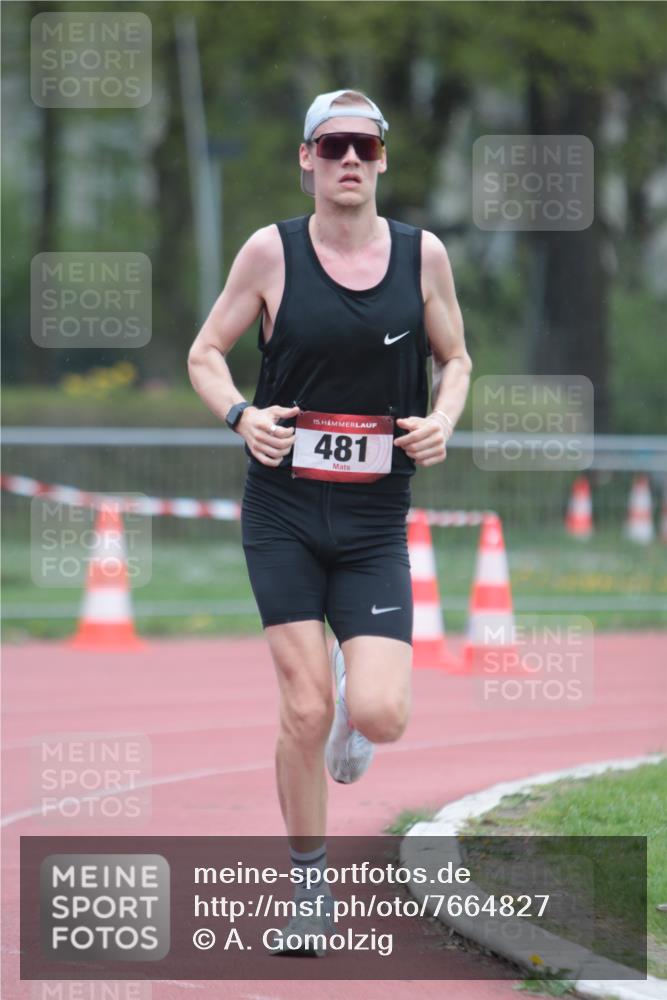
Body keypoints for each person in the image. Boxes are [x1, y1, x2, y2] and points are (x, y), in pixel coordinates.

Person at [187, 88, 472, 953]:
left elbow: (455, 358)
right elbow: (204, 352)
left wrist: (442, 421)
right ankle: (309, 890)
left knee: (379, 716)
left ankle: (359, 697)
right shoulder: (270, 253)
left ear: (382, 160)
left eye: (366, 147)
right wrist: (242, 415)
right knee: (301, 711)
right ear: (306, 160)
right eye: (333, 146)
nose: (350, 160)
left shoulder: (423, 258)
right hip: (280, 511)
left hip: (374, 522)